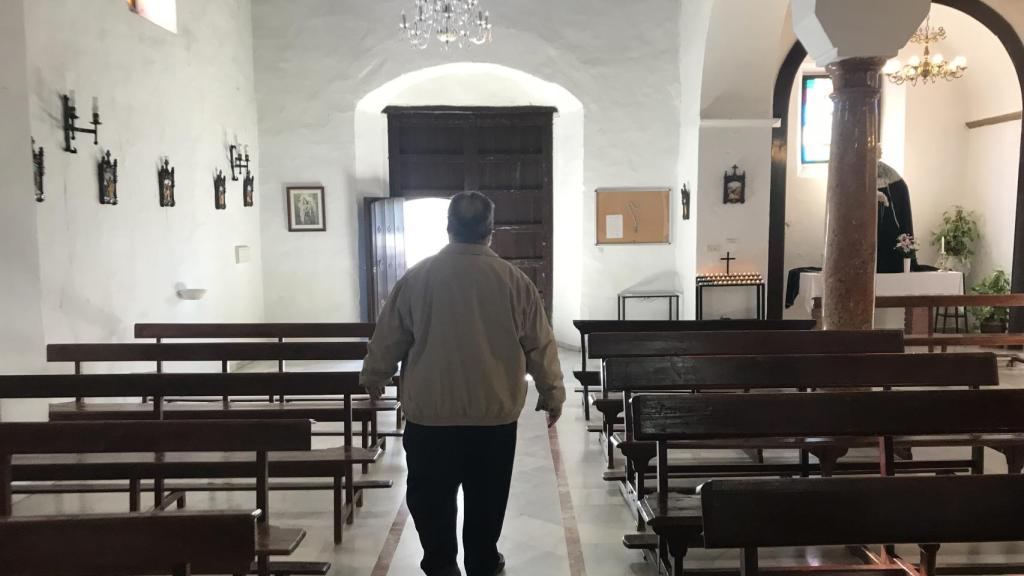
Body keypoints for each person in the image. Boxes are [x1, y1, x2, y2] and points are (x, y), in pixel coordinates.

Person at [360, 191, 565, 576]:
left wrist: (375, 375)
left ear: (449, 228)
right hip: (493, 418)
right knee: (487, 501)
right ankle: (483, 561)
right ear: (491, 231)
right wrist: (552, 392)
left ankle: (441, 565)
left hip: (431, 418)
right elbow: (540, 341)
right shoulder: (514, 281)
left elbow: (389, 337)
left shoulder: (417, 278)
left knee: (431, 500)